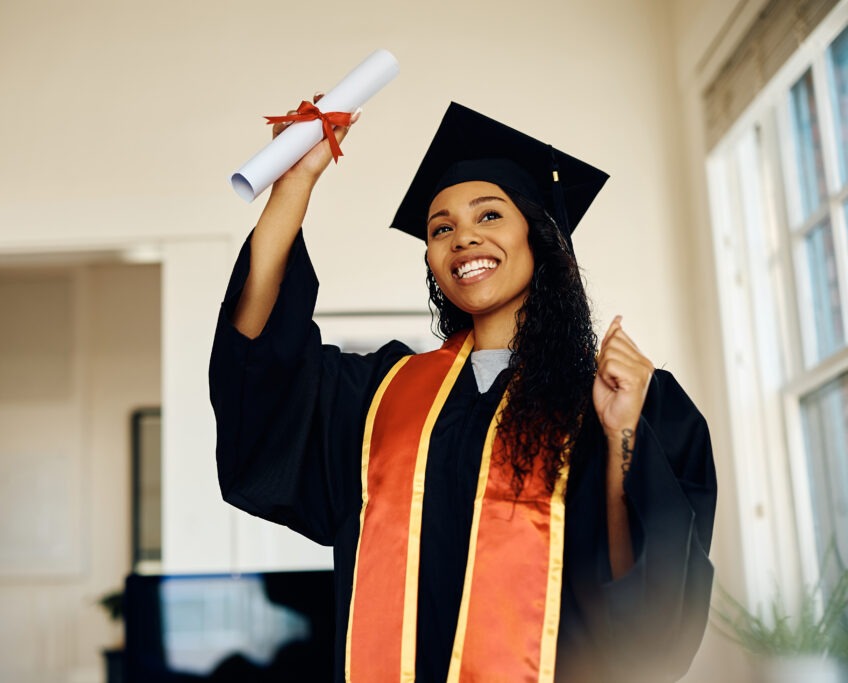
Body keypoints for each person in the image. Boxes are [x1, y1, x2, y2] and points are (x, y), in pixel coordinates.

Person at [209, 100, 717, 683]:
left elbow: (649, 618)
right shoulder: (379, 397)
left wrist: (623, 433)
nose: (463, 239)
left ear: (539, 234)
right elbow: (261, 370)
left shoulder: (628, 399)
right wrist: (294, 186)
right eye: (441, 228)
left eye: (490, 216)